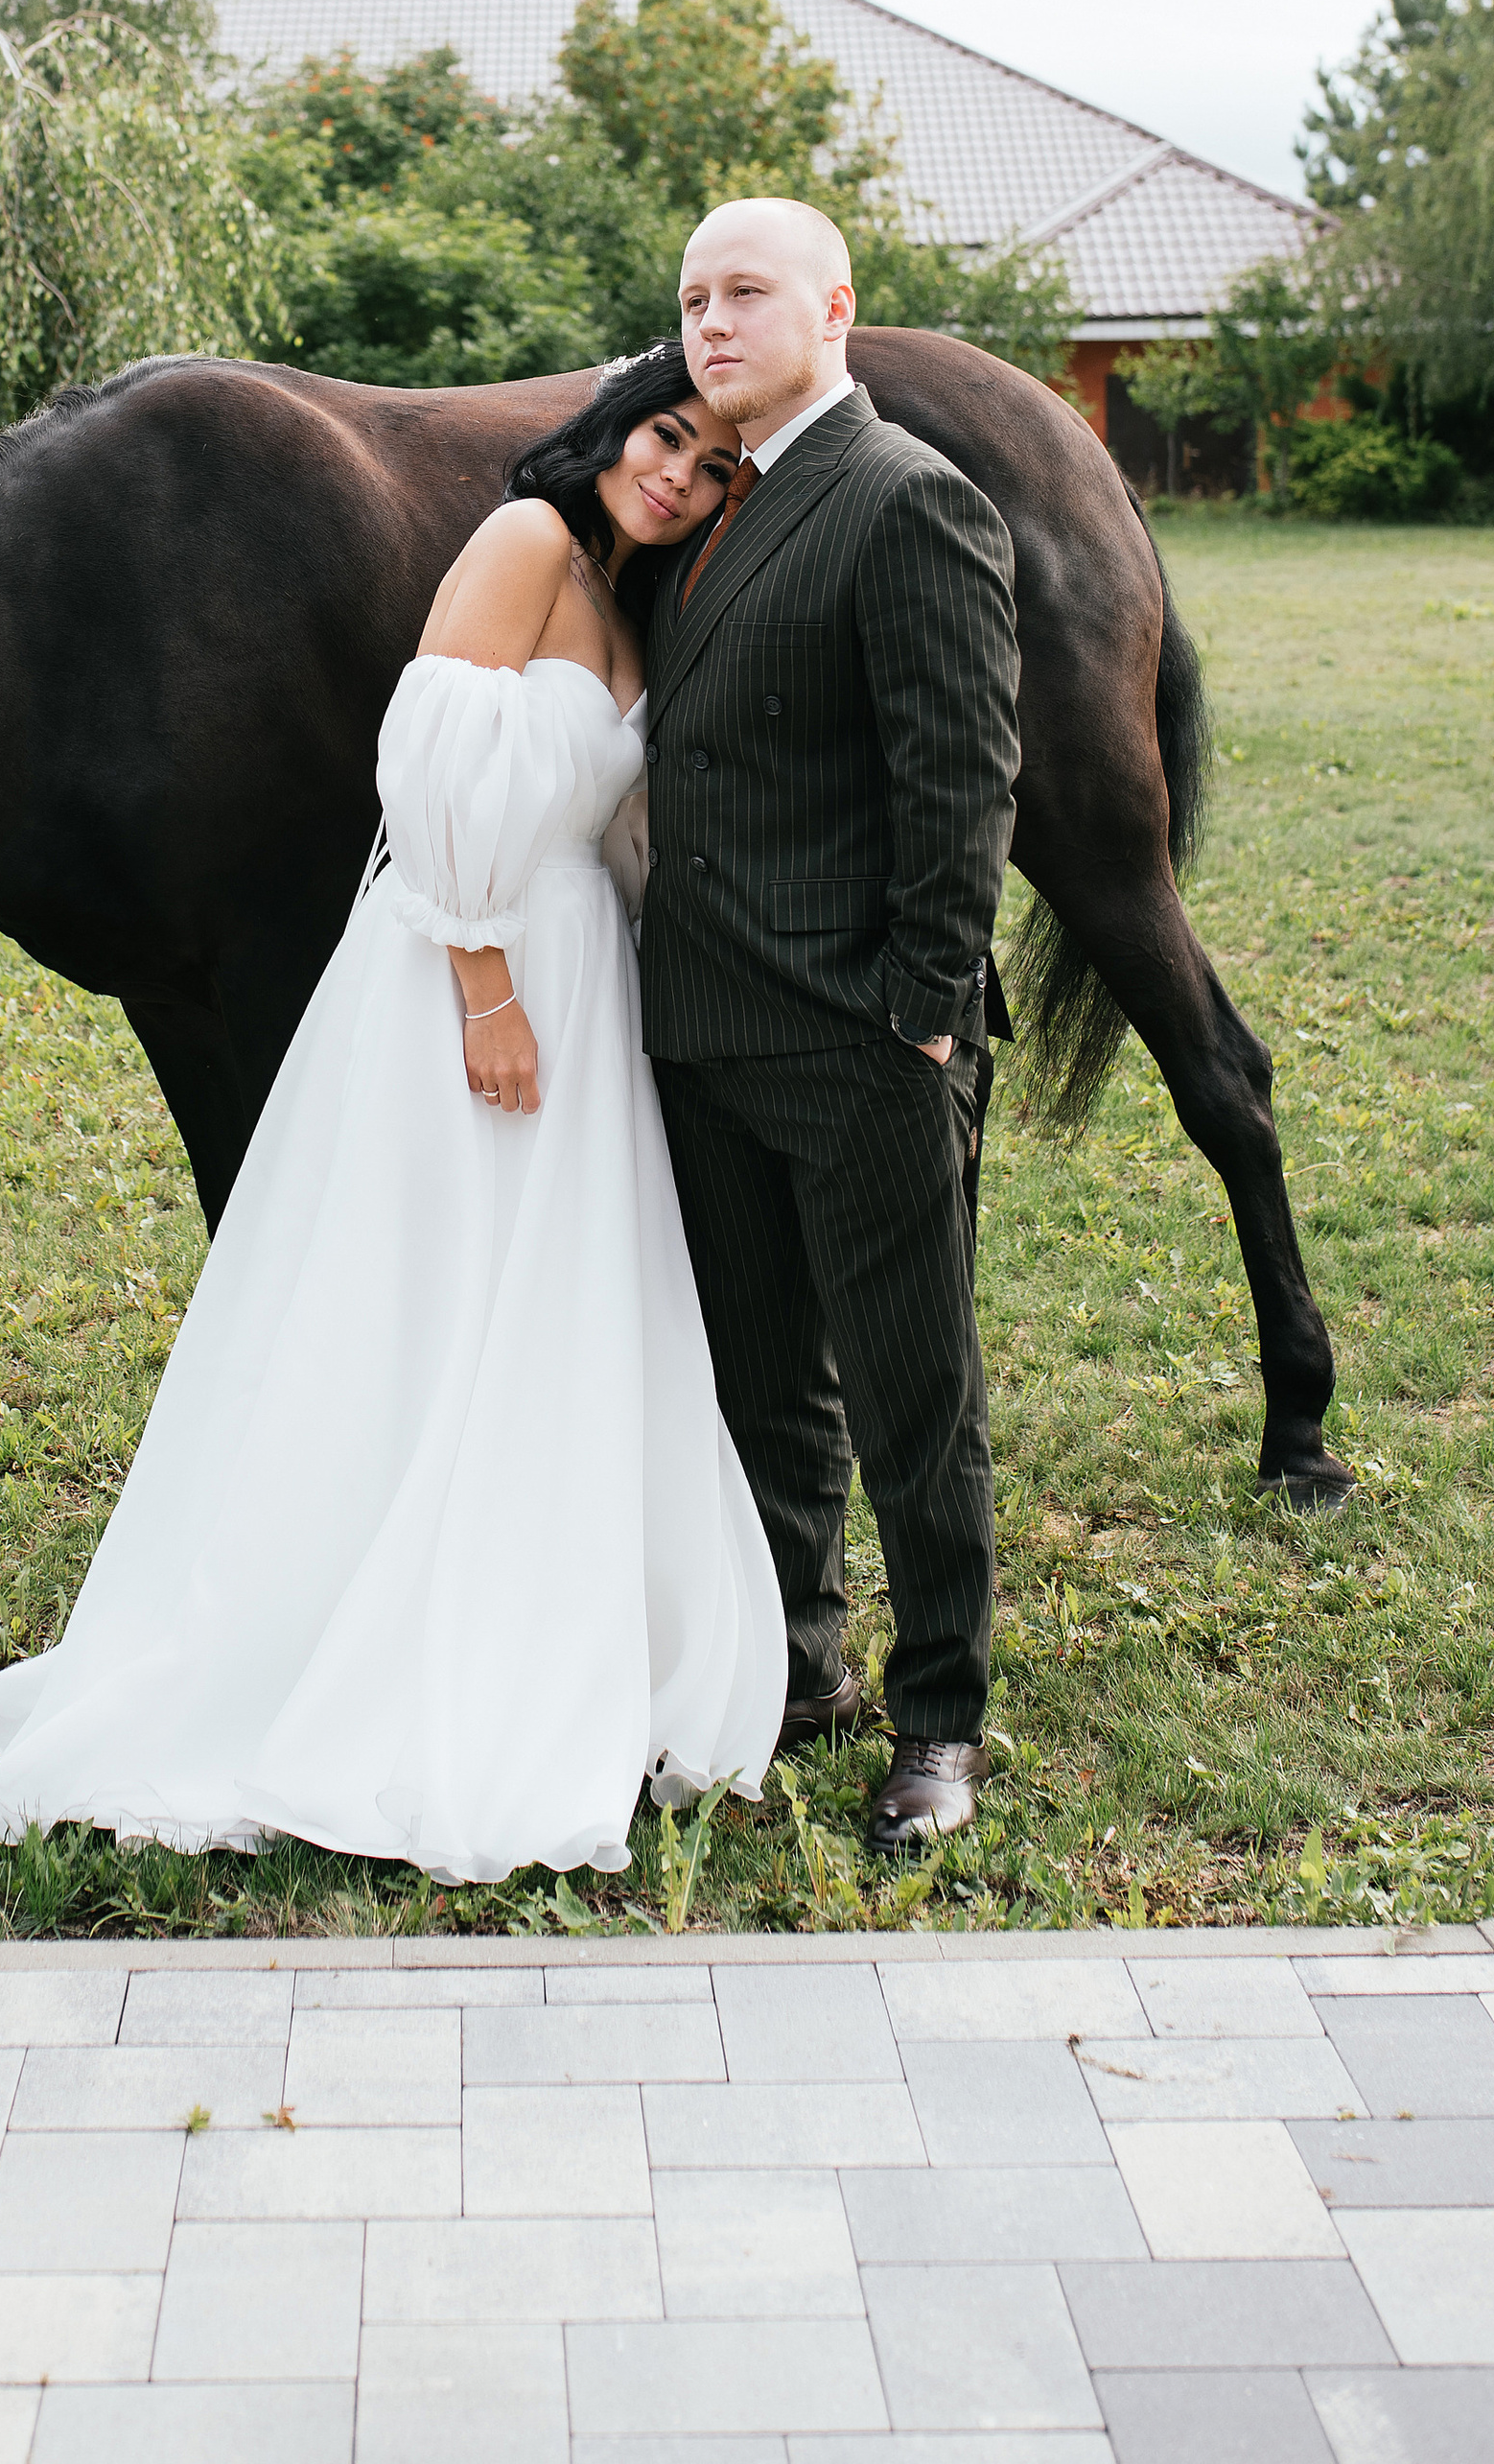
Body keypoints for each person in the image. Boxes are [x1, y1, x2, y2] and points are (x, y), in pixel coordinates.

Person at [0, 345, 785, 1883]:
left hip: (583, 985)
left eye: (712, 469)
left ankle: (530, 1612)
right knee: (421, 1300)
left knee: (545, 1314)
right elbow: (422, 762)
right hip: (463, 968)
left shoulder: (632, 599)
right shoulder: (528, 541)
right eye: (664, 439)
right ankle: (343, 1632)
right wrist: (481, 976)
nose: (677, 474)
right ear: (611, 431)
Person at [642, 198, 1019, 1859]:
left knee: (908, 1388)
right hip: (710, 1029)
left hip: (861, 1043)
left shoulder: (906, 498)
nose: (712, 323)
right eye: (693, 299)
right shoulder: (720, 508)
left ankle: (941, 1717)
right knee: (760, 1381)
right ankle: (803, 1662)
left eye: (746, 293)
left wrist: (923, 1023)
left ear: (836, 308)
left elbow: (964, 787)